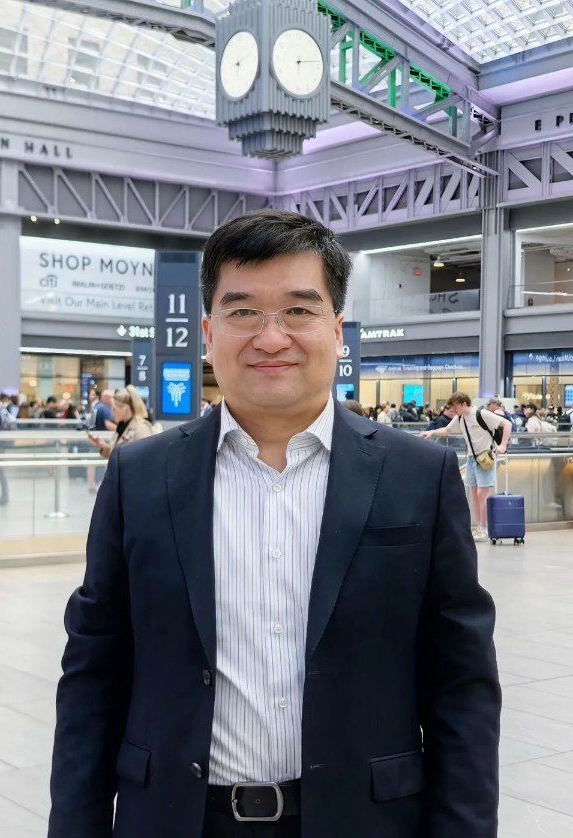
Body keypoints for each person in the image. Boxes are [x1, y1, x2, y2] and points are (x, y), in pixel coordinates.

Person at [49, 209, 500, 838]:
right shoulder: (140, 477)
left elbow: (461, 683)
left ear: (337, 330)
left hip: (363, 821)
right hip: (178, 819)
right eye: (242, 311)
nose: (270, 337)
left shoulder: (418, 476)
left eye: (297, 310)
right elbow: (93, 674)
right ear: (208, 333)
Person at [421, 392, 511, 542]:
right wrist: (431, 432)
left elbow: (507, 424)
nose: (453, 410)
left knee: (481, 493)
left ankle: (484, 527)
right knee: (474, 493)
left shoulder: (481, 414)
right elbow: (447, 430)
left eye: (455, 407)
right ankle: (479, 527)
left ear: (463, 404)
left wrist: (502, 445)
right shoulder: (460, 417)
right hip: (472, 458)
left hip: (485, 458)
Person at [88, 385, 152, 460]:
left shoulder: (141, 428)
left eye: (114, 409)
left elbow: (145, 458)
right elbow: (116, 454)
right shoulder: (121, 428)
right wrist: (103, 446)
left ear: (125, 408)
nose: (112, 413)